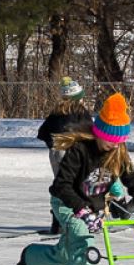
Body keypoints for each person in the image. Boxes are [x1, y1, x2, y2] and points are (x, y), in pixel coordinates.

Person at [10, 93, 134, 265]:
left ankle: (30, 257)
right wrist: (81, 210)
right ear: (99, 132)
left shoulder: (118, 152)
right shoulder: (80, 150)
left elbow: (133, 181)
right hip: (67, 203)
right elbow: (60, 186)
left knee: (67, 255)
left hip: (91, 207)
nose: (114, 145)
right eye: (110, 140)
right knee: (85, 245)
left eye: (118, 141)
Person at [35, 77, 91, 234]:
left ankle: (57, 222)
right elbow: (90, 132)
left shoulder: (57, 112)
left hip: (56, 152)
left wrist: (52, 144)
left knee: (61, 185)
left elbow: (42, 132)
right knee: (73, 186)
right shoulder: (80, 112)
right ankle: (73, 220)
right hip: (71, 153)